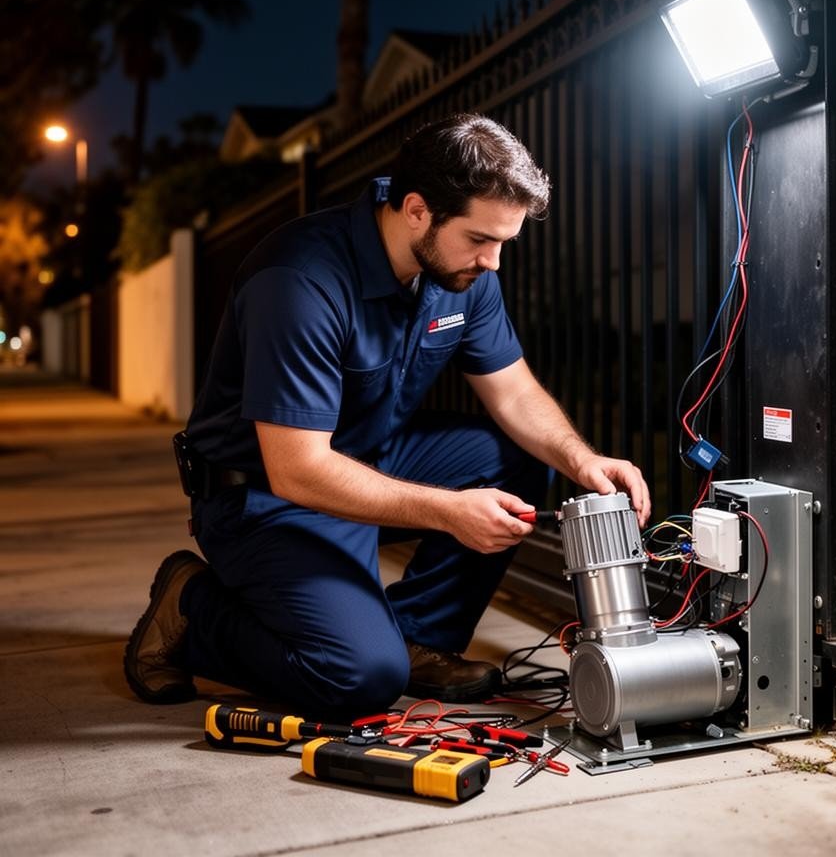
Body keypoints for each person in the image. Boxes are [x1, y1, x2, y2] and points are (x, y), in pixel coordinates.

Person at [124, 113, 650, 716]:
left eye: (504, 242)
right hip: (264, 498)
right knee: (358, 679)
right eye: (481, 240)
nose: (494, 263)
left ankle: (417, 636)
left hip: (362, 458)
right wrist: (449, 511)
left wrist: (585, 460)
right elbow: (299, 471)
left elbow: (513, 394)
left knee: (513, 458)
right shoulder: (299, 279)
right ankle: (193, 607)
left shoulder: (459, 274)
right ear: (418, 210)